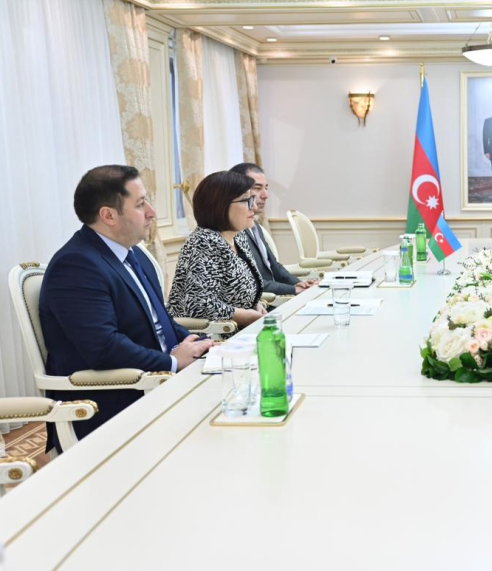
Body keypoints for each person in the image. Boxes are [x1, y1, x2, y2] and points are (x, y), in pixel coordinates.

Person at [40, 165, 212, 446]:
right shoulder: (76, 265)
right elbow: (104, 347)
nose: (152, 212)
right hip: (114, 402)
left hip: (158, 382)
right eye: (141, 204)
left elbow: (160, 321)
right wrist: (172, 362)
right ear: (108, 215)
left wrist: (201, 344)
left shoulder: (134, 255)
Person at [167, 171, 266, 327]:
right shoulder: (203, 243)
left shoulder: (238, 237)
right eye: (246, 200)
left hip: (238, 330)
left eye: (252, 199)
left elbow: (238, 292)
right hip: (210, 336)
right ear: (220, 205)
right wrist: (244, 315)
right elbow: (198, 305)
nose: (253, 206)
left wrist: (255, 305)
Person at [229, 162, 316, 297]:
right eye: (257, 188)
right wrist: (292, 290)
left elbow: (274, 266)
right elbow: (249, 282)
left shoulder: (254, 224)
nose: (266, 195)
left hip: (270, 298)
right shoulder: (230, 232)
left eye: (266, 188)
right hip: (262, 301)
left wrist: (299, 284)